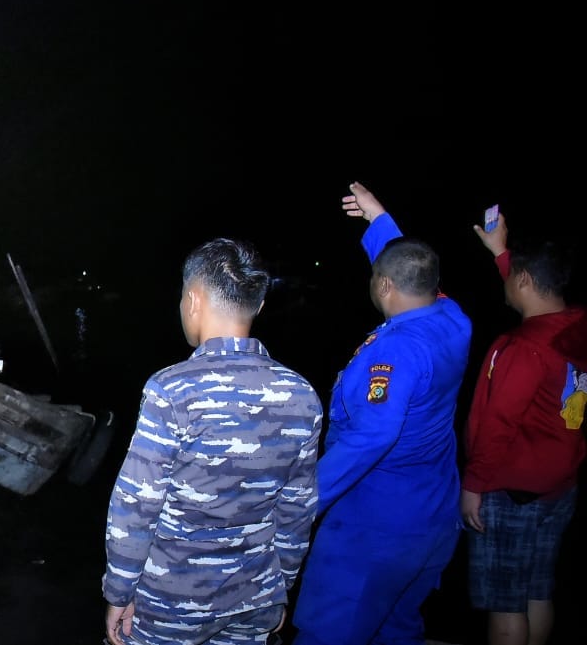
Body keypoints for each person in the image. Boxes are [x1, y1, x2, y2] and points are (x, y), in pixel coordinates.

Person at [103, 237, 323, 645]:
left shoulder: (171, 390)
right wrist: (279, 589)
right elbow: (297, 511)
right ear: (257, 306)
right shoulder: (301, 395)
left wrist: (119, 590)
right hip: (254, 598)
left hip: (170, 602)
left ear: (193, 300)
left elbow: (137, 503)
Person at [291, 182, 472, 644]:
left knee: (326, 634)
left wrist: (302, 503)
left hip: (375, 533)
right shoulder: (453, 319)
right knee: (395, 630)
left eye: (377, 276)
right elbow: (416, 272)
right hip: (431, 520)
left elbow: (370, 437)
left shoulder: (392, 354)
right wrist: (380, 223)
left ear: (385, 285)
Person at [460, 209, 586, 645]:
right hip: (559, 485)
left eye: (513, 276)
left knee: (506, 604)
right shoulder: (575, 327)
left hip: (511, 492)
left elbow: (497, 424)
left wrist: (473, 484)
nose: (506, 283)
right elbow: (529, 283)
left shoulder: (521, 347)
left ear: (527, 281)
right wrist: (501, 253)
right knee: (537, 591)